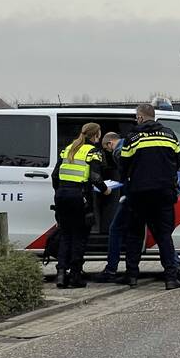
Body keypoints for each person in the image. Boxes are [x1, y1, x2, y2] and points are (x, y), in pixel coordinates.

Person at [120, 103, 180, 290]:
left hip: (139, 194)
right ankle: (171, 278)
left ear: (140, 117)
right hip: (164, 193)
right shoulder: (170, 135)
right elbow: (178, 162)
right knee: (164, 236)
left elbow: (124, 165)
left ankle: (131, 276)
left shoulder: (132, 137)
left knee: (135, 235)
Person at [51, 122, 111, 289]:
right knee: (79, 237)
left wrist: (60, 192)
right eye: (99, 134)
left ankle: (61, 274)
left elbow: (55, 176)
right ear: (95, 136)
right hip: (80, 198)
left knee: (65, 235)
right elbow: (95, 178)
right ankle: (75, 276)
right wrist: (106, 190)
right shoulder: (93, 151)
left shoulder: (68, 148)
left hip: (62, 196)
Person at [96, 132, 127, 283]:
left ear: (110, 143)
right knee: (161, 233)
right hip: (141, 194)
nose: (110, 153)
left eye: (107, 149)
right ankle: (174, 269)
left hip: (132, 197)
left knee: (115, 229)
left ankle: (111, 269)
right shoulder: (132, 144)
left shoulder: (119, 151)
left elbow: (126, 173)